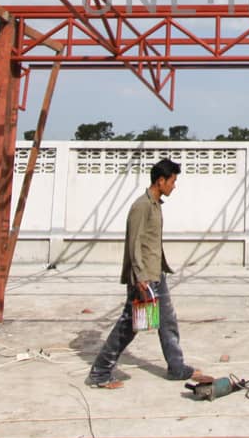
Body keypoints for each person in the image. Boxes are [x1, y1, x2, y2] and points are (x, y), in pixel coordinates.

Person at [87, 157, 209, 388]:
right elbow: (134, 243)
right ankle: (100, 373)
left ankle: (176, 367)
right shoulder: (141, 206)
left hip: (156, 274)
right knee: (130, 325)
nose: (174, 185)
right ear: (160, 181)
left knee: (167, 321)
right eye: (172, 181)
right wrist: (140, 278)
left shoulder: (155, 204)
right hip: (143, 278)